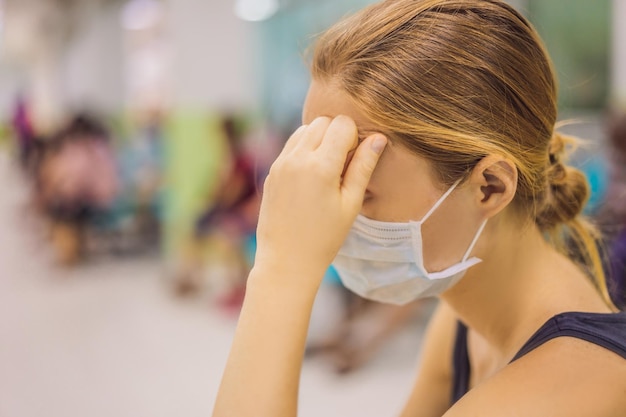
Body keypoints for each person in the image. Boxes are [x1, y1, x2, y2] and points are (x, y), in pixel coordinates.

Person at [213, 1, 626, 416]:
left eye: (360, 190)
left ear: (490, 187)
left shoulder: (566, 388)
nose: (332, 217)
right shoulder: (465, 320)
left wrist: (281, 271)